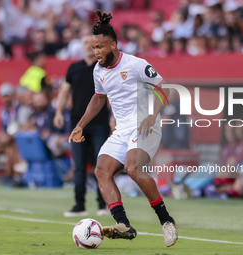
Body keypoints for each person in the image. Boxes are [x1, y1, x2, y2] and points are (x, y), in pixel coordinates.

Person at [67, 10, 178, 247]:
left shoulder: (136, 64)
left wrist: (152, 115)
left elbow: (165, 89)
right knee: (101, 171)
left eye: (100, 46)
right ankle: (123, 225)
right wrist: (80, 125)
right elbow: (98, 99)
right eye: (94, 47)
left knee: (132, 167)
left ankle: (166, 221)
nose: (96, 51)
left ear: (114, 45)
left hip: (145, 126)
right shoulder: (98, 71)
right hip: (122, 130)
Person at [54, 34, 110, 217]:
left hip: (100, 123)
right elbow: (64, 92)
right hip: (78, 123)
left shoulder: (104, 67)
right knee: (78, 166)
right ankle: (79, 204)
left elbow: (111, 94)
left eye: (91, 44)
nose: (88, 46)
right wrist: (58, 112)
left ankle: (103, 204)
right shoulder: (74, 68)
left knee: (100, 165)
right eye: (85, 43)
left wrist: (114, 119)